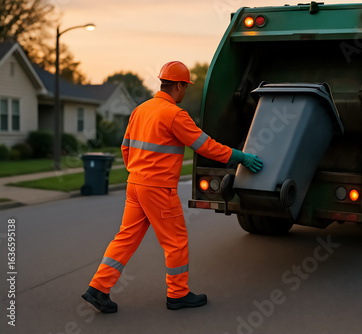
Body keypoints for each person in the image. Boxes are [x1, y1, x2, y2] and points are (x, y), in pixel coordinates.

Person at [82, 61, 263, 312]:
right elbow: (205, 146)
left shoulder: (140, 110)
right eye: (185, 87)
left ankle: (98, 288)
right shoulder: (175, 114)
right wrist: (240, 156)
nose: (185, 92)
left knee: (125, 238)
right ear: (178, 85)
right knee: (175, 241)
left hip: (135, 184)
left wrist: (138, 172)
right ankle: (178, 294)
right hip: (158, 189)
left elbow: (126, 147)